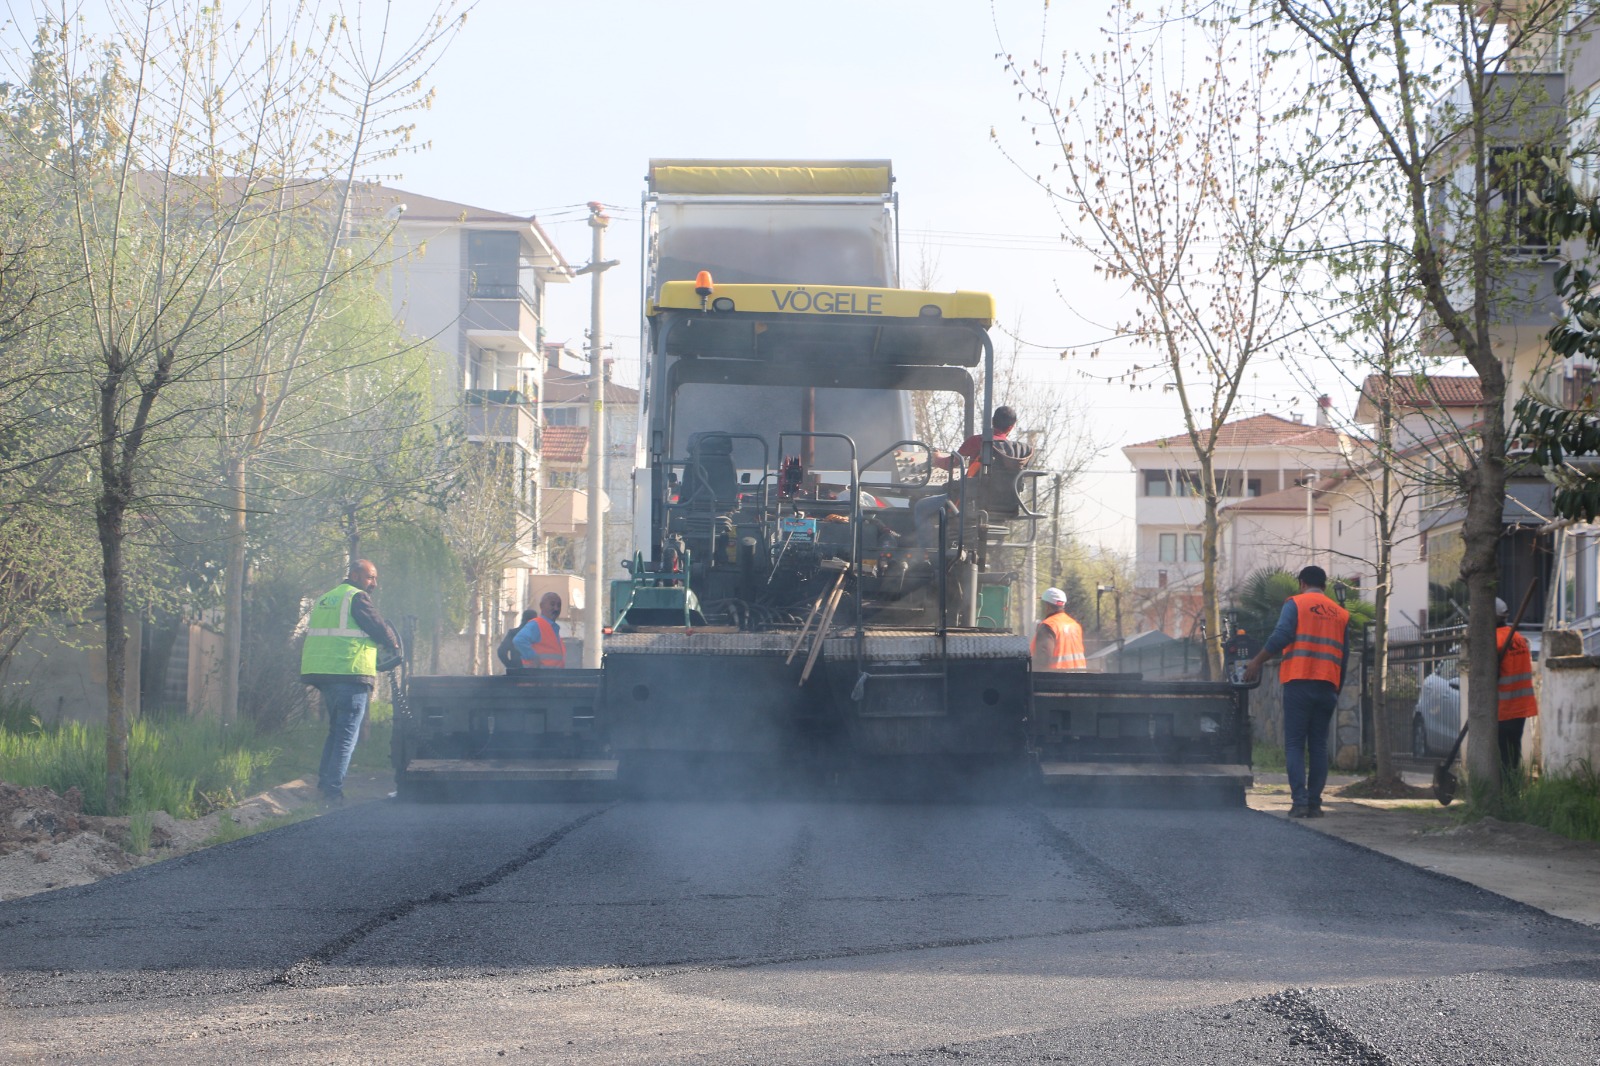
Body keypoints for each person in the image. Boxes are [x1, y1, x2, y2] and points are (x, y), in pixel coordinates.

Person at [1242, 565, 1350, 819]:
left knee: (1294, 744)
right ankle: (1314, 804)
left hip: (1299, 681)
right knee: (1319, 746)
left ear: (1302, 583)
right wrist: (1337, 688)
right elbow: (1343, 657)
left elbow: (1281, 636)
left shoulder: (1296, 604)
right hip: (1327, 686)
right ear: (1324, 586)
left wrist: (1256, 662)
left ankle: (1300, 802)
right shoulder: (1341, 614)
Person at [301, 559, 401, 803]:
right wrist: (393, 643)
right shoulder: (357, 598)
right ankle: (332, 792)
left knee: (336, 731)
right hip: (349, 672)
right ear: (355, 575)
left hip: (324, 673)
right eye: (370, 577)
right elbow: (377, 626)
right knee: (347, 734)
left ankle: (325, 784)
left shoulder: (326, 598)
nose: (374, 583)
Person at [913, 405, 1032, 549]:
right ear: (1011, 427)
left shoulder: (978, 442)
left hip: (969, 503)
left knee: (921, 507)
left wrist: (936, 458)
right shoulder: (1017, 453)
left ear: (992, 421)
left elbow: (950, 463)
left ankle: (926, 553)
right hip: (1002, 508)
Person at [1495, 597, 1538, 776]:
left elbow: (1490, 675)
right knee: (1514, 753)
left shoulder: (1495, 640)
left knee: (1503, 756)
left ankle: (1507, 796)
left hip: (1503, 709)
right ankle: (1514, 792)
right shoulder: (1519, 638)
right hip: (1521, 707)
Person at [1032, 587, 1087, 671]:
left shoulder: (1048, 626)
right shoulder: (1074, 625)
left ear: (1047, 606)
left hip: (1055, 679)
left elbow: (1043, 659)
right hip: (1079, 678)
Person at [512, 591, 566, 669]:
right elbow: (518, 640)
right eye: (552, 604)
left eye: (559, 605)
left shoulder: (553, 629)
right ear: (541, 606)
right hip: (538, 678)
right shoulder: (536, 624)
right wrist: (533, 657)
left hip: (550, 678)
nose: (556, 608)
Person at [496, 609, 538, 673]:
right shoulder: (537, 635)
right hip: (534, 673)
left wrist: (510, 666)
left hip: (517, 673)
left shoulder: (513, 633)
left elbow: (501, 652)